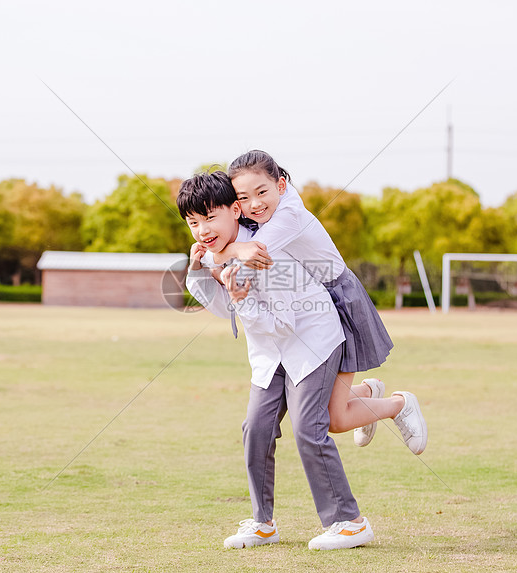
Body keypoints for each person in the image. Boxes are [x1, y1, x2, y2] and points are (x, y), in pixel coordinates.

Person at [179, 170, 407, 550]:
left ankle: (350, 522)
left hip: (311, 340)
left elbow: (281, 321)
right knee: (256, 428)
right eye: (193, 222)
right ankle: (262, 523)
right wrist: (199, 270)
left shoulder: (265, 252)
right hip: (271, 352)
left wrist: (243, 299)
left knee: (309, 428)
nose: (202, 229)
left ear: (235, 211)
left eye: (210, 217)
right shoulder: (223, 251)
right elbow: (223, 309)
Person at [208, 150, 427, 453]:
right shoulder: (261, 215)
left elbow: (252, 251)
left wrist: (222, 253)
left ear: (281, 186)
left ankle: (398, 405)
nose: (254, 204)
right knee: (332, 416)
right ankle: (369, 392)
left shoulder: (288, 216)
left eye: (262, 192)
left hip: (339, 300)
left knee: (334, 419)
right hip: (312, 301)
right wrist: (226, 251)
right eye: (243, 198)